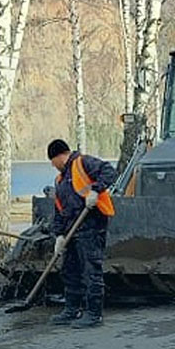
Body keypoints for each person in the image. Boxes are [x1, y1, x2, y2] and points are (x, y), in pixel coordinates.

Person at [47, 139, 116, 328]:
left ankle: (94, 314)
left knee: (90, 271)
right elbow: (59, 209)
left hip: (91, 226)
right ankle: (72, 309)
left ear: (60, 155)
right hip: (71, 230)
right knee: (70, 272)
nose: (54, 167)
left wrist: (96, 190)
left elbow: (109, 171)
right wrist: (59, 235)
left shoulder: (83, 163)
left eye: (53, 162)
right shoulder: (60, 180)